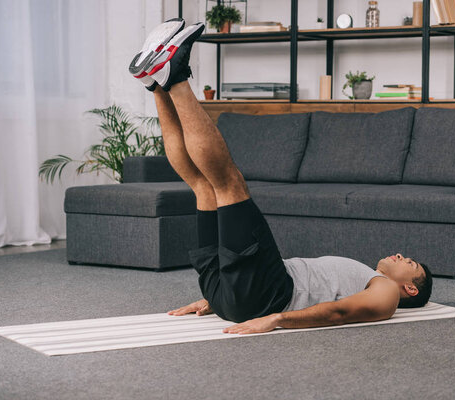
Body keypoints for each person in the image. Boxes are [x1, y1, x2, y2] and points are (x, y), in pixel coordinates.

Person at [129, 19, 433, 335]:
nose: (401, 255)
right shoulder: (366, 277)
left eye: (409, 263)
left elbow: (336, 313)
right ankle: (155, 83)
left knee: (228, 183)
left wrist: (277, 318)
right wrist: (219, 300)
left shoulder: (385, 294)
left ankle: (174, 76)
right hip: (236, 291)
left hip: (266, 295)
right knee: (203, 186)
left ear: (411, 289)